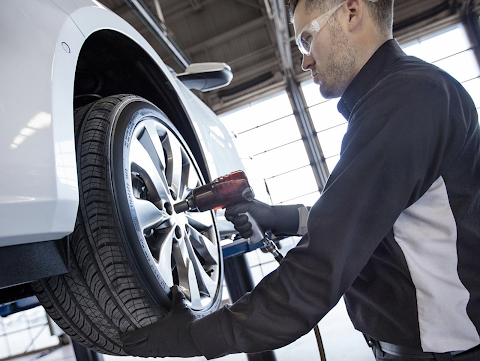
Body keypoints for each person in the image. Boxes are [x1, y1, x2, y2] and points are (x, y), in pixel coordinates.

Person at [121, 0, 480, 359]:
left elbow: (319, 269)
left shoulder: (407, 101)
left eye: (307, 40)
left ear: (351, 13)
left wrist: (195, 338)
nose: (305, 60)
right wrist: (283, 217)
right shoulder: (401, 97)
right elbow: (378, 225)